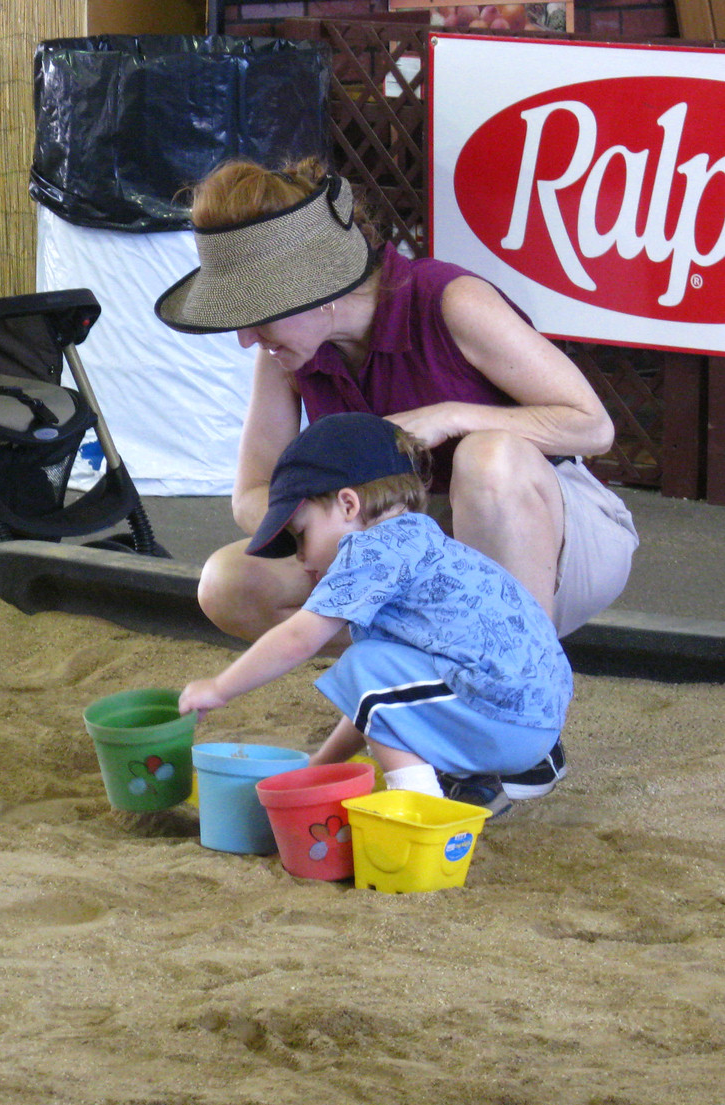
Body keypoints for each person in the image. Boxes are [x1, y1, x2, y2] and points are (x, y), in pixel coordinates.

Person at [157, 156, 637, 804]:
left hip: (552, 530)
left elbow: (592, 427)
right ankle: (423, 709)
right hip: (413, 554)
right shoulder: (289, 352)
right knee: (230, 581)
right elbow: (252, 496)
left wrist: (450, 417)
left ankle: (517, 731)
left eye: (256, 314)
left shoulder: (449, 299)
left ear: (319, 290)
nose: (246, 338)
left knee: (487, 458)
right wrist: (354, 538)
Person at [179, 413, 573, 816]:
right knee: (374, 667)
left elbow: (299, 638)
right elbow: (378, 705)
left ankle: (415, 810)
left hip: (502, 718)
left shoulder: (371, 550)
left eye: (302, 534)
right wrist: (319, 768)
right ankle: (465, 790)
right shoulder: (421, 541)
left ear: (348, 504)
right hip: (528, 721)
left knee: (363, 661)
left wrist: (220, 688)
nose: (300, 557)